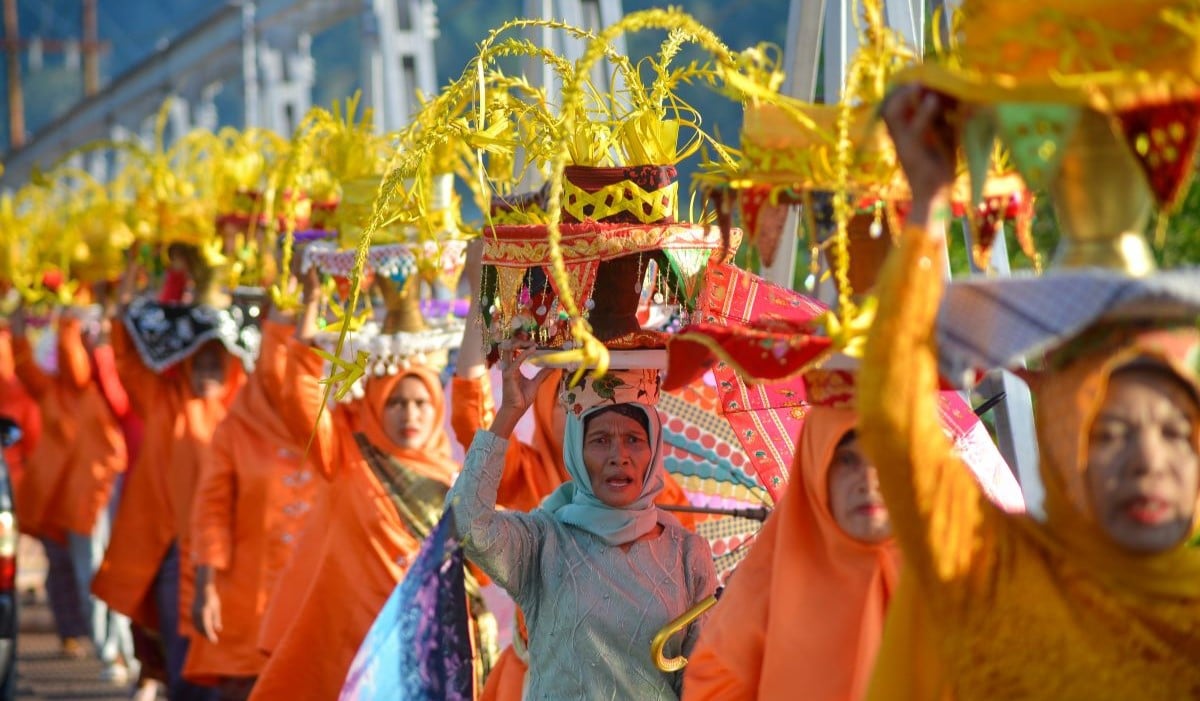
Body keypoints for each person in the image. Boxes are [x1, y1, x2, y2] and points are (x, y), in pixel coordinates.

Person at [854, 84, 1200, 699]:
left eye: (1177, 434)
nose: (1150, 462)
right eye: (1110, 433)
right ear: (1059, 440)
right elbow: (896, 418)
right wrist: (928, 208)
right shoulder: (990, 567)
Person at [448, 340, 717, 700]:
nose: (619, 456)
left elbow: (700, 681)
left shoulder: (688, 554)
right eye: (600, 440)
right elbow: (466, 522)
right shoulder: (542, 541)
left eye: (634, 439)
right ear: (576, 450)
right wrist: (510, 413)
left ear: (654, 449)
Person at [248, 271, 461, 701]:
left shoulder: (452, 470)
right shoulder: (347, 453)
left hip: (425, 638)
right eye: (396, 402)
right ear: (376, 403)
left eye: (420, 403)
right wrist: (311, 304)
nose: (410, 415)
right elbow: (300, 396)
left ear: (437, 406)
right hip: (355, 640)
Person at [92, 261, 245, 701]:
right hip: (172, 553)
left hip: (228, 557)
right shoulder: (163, 401)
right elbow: (126, 362)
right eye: (202, 361)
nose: (209, 371)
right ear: (187, 362)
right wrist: (122, 303)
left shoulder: (242, 412)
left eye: (217, 362)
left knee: (222, 667)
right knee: (181, 668)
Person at [682, 405, 897, 701]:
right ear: (815, 471)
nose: (869, 481)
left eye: (885, 457)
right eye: (847, 460)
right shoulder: (765, 588)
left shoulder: (946, 579)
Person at [183, 306, 323, 700]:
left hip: (314, 599)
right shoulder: (236, 429)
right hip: (245, 602)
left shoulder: (332, 427)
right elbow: (211, 513)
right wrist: (205, 587)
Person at [9, 304, 124, 664]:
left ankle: (106, 648)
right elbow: (26, 365)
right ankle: (77, 636)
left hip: (90, 501)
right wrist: (21, 324)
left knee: (92, 573)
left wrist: (72, 320)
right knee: (62, 573)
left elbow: (77, 360)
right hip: (56, 505)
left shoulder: (100, 389)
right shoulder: (52, 391)